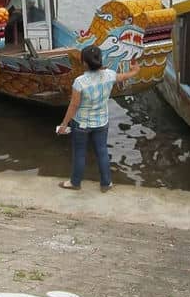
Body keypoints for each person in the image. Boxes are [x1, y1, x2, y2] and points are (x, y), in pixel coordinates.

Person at [57, 45, 140, 192]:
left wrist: (64, 124)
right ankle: (106, 183)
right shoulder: (110, 75)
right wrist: (134, 70)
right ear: (100, 60)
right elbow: (125, 76)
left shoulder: (80, 82)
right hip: (102, 122)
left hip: (81, 124)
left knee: (80, 153)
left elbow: (74, 105)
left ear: (84, 63)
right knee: (102, 151)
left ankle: (75, 183)